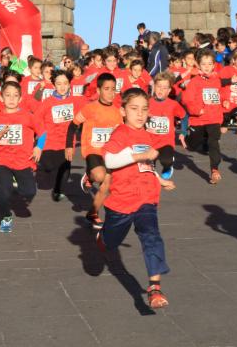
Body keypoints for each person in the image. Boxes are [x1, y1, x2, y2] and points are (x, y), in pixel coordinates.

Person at [96, 87, 176, 309]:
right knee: (111, 242)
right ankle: (103, 238)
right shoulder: (120, 133)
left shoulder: (148, 135)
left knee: (152, 235)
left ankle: (154, 288)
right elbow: (110, 161)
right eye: (134, 109)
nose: (140, 114)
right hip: (122, 201)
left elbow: (145, 165)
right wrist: (142, 154)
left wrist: (159, 179)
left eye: (144, 109)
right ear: (123, 111)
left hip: (146, 198)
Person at [0, 81, 45, 233]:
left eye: (15, 96)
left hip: (24, 161)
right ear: (1, 98)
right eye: (8, 95)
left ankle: (16, 181)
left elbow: (43, 132)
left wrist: (39, 147)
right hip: (3, 161)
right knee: (3, 193)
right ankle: (5, 217)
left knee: (29, 192)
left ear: (20, 98)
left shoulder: (27, 116)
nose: (11, 99)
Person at [66, 73, 121, 229]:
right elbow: (73, 125)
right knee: (99, 175)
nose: (111, 93)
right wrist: (69, 145)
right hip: (92, 150)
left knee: (106, 185)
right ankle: (89, 177)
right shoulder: (90, 108)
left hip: (109, 152)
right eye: (107, 89)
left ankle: (92, 213)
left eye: (113, 89)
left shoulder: (117, 112)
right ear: (98, 90)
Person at [34, 69, 86, 201]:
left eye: (65, 83)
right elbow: (37, 119)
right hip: (49, 140)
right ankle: (49, 172)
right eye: (59, 84)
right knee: (50, 166)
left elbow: (90, 111)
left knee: (65, 166)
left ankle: (59, 190)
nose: (62, 87)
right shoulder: (47, 102)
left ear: (69, 84)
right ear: (53, 85)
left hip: (67, 141)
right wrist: (38, 138)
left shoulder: (76, 101)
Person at [183, 49, 225, 184]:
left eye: (209, 64)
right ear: (198, 65)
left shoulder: (217, 80)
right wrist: (196, 110)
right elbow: (187, 99)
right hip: (198, 120)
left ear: (213, 65)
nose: (207, 67)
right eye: (204, 64)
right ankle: (187, 139)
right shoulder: (195, 81)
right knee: (193, 145)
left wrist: (225, 102)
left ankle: (215, 170)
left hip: (213, 118)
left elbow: (221, 95)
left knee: (214, 143)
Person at [146, 72, 186, 179]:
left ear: (169, 91)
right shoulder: (147, 103)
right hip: (149, 141)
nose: (161, 90)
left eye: (164, 88)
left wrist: (183, 132)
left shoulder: (173, 104)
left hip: (166, 142)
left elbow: (184, 116)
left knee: (166, 160)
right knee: (148, 170)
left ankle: (167, 167)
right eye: (159, 87)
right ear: (154, 87)